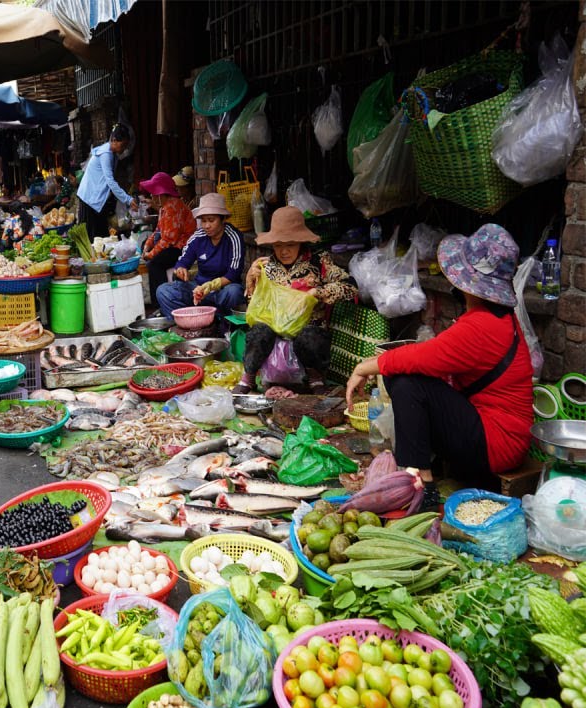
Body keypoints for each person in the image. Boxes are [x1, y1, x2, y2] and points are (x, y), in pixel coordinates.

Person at [345, 224, 533, 488]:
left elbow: (422, 357)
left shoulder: (483, 326)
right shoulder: (498, 318)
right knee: (404, 378)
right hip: (493, 432)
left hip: (497, 444)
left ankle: (422, 482)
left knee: (406, 382)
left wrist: (363, 367)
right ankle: (420, 467)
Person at [235, 207, 357, 394]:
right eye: (278, 245)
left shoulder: (319, 262)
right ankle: (249, 377)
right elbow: (254, 303)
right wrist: (251, 280)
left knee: (310, 336)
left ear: (301, 241)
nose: (283, 251)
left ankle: (314, 377)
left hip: (306, 331)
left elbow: (350, 287)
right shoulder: (265, 267)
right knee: (258, 331)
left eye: (290, 244)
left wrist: (318, 292)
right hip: (274, 332)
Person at [154, 193, 245, 320]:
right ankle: (186, 324)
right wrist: (181, 270)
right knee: (164, 291)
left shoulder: (234, 237)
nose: (206, 225)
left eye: (211, 220)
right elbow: (183, 261)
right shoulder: (198, 236)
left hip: (223, 291)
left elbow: (233, 273)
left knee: (234, 292)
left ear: (223, 219)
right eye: (203, 221)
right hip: (198, 290)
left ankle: (221, 322)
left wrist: (212, 285)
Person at [136, 172, 197, 293]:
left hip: (182, 247)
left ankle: (162, 298)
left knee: (154, 264)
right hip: (171, 244)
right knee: (145, 247)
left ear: (162, 194)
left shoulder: (173, 207)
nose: (152, 196)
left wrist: (151, 254)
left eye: (155, 193)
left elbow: (168, 240)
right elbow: (158, 230)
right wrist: (148, 246)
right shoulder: (164, 207)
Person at [76, 124, 134, 239]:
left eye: (126, 146)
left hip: (95, 199)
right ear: (114, 140)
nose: (123, 149)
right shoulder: (106, 154)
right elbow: (110, 181)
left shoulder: (112, 154)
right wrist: (128, 199)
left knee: (101, 236)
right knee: (92, 237)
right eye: (122, 145)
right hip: (89, 199)